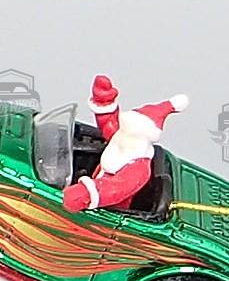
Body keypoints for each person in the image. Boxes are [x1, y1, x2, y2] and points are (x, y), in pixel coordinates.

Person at [62, 76, 188, 212]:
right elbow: (108, 124)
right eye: (126, 126)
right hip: (98, 180)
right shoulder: (123, 137)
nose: (126, 130)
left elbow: (116, 189)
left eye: (131, 130)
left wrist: (85, 194)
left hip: (112, 207)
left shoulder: (138, 169)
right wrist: (104, 100)